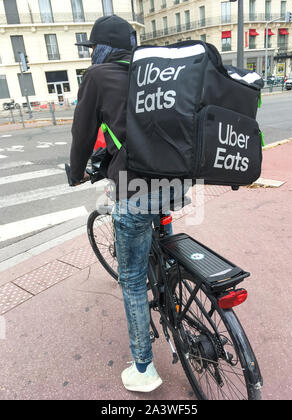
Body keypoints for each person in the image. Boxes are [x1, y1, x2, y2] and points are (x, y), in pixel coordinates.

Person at [69, 14, 164, 393]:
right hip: (177, 182)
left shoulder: (97, 77)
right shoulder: (153, 72)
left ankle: (144, 368)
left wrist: (76, 172)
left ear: (103, 49)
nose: (93, 54)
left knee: (132, 282)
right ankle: (172, 283)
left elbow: (83, 131)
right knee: (155, 214)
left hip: (134, 189)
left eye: (94, 48)